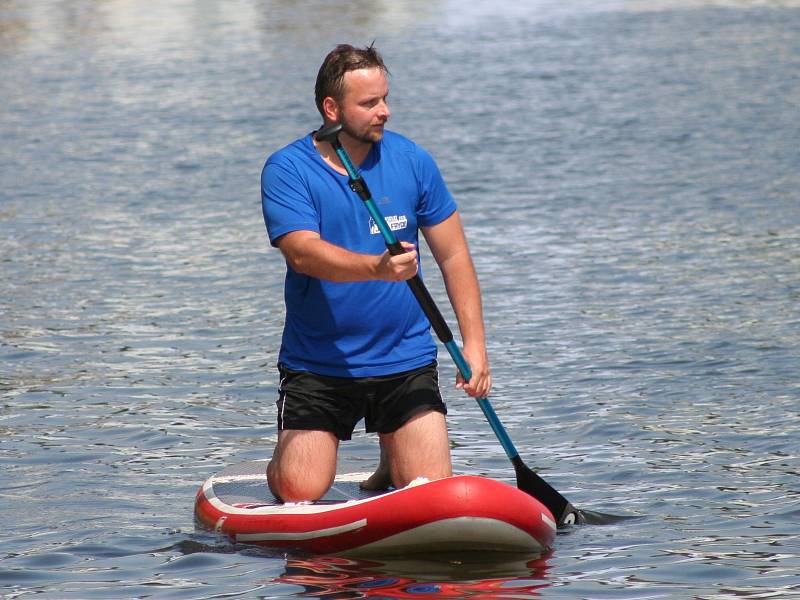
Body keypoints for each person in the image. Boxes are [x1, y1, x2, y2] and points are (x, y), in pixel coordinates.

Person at [260, 43, 491, 503]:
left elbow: (454, 256)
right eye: (369, 103)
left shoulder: (412, 160)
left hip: (405, 359)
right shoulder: (287, 169)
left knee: (429, 490)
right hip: (320, 364)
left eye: (385, 99)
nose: (384, 111)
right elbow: (302, 255)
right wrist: (377, 268)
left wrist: (475, 345)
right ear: (332, 108)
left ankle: (393, 451)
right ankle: (286, 453)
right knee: (299, 488)